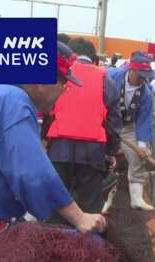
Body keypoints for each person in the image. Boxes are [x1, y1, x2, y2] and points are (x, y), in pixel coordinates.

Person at [0, 42, 106, 242]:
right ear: (42, 81)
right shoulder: (13, 99)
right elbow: (32, 174)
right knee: (94, 244)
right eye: (64, 83)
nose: (65, 90)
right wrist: (79, 217)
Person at [46, 37, 121, 224]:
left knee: (57, 206)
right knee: (89, 209)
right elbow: (113, 123)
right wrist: (111, 152)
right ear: (94, 58)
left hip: (58, 150)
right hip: (92, 154)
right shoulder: (106, 80)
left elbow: (47, 113)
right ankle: (89, 249)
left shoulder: (58, 73)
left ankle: (54, 244)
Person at [107, 51, 155, 211]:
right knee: (102, 156)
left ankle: (136, 198)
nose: (143, 79)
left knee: (137, 157)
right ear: (131, 70)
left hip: (127, 127)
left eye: (145, 76)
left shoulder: (146, 94)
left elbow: (143, 121)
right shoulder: (112, 76)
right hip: (106, 123)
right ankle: (103, 199)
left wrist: (142, 146)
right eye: (140, 75)